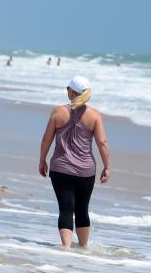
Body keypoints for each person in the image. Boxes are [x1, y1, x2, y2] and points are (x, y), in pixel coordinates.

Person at [39, 76, 111, 248]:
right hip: (86, 171)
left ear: (71, 92)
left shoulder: (58, 112)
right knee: (82, 209)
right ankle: (83, 249)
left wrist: (42, 160)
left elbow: (46, 140)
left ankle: (66, 248)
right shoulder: (94, 115)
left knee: (65, 208)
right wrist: (107, 166)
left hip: (61, 169)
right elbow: (102, 143)